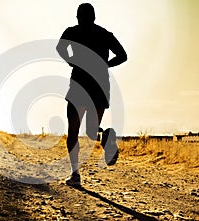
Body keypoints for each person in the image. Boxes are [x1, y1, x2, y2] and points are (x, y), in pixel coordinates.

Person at [56, 3, 127, 186]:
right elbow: (123, 55)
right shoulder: (105, 34)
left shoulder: (72, 31)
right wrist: (105, 65)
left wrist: (71, 60)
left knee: (73, 130)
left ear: (78, 17)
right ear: (94, 17)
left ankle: (75, 175)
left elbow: (60, 48)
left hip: (80, 82)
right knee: (90, 130)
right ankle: (105, 136)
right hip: (100, 84)